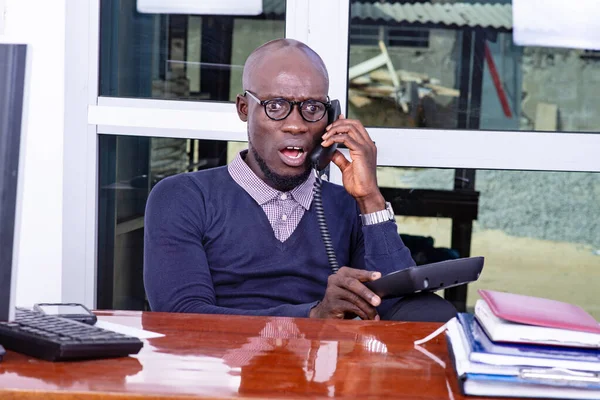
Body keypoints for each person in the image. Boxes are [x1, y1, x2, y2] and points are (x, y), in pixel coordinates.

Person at [143, 38, 456, 322]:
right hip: (222, 376)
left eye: (312, 108)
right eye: (275, 106)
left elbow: (400, 305)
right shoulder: (183, 197)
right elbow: (181, 316)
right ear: (244, 108)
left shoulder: (346, 206)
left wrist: (369, 198)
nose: (296, 125)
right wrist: (311, 316)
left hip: (321, 377)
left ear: (332, 119)